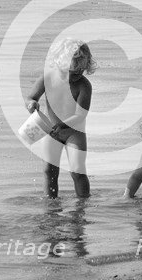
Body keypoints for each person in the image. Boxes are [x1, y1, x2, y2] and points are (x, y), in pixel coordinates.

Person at [25, 39, 96, 198]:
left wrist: (63, 125)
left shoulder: (84, 86)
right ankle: (51, 204)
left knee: (77, 170)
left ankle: (83, 202)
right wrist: (31, 104)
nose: (72, 77)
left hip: (74, 132)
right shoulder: (47, 78)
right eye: (68, 71)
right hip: (50, 131)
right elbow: (31, 97)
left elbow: (80, 115)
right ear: (58, 64)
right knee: (48, 171)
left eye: (78, 73)